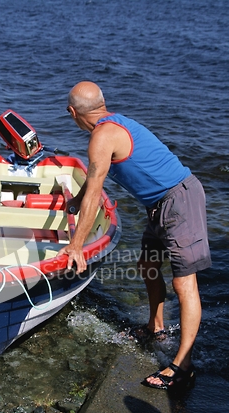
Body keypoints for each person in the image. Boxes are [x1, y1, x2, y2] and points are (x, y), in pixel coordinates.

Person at [58, 81, 211, 390]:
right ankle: (156, 328)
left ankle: (183, 367)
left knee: (184, 282)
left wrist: (76, 246)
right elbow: (93, 180)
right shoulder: (110, 126)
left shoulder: (101, 136)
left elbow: (96, 192)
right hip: (158, 205)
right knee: (148, 266)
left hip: (179, 201)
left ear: (72, 112)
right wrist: (76, 200)